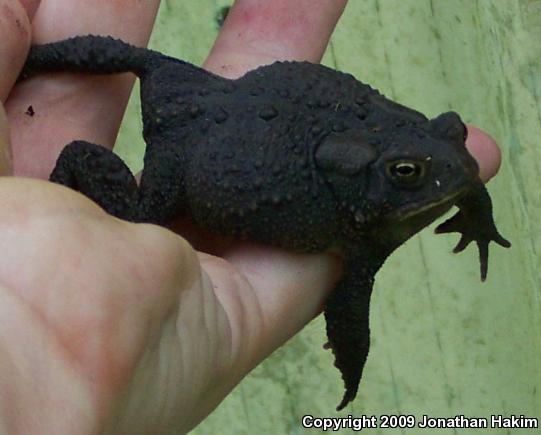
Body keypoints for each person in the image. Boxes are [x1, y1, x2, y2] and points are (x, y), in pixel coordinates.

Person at [0, 0, 502, 433]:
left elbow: (460, 173)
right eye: (410, 173)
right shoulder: (363, 227)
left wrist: (477, 216)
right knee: (138, 219)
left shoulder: (398, 174)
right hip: (193, 162)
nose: (458, 163)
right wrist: (354, 368)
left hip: (230, 98)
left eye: (450, 134)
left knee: (147, 62)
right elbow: (350, 306)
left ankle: (39, 62)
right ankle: (72, 161)